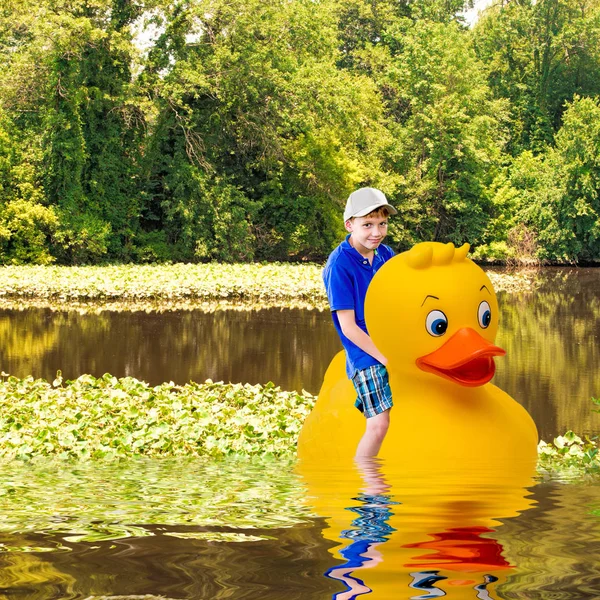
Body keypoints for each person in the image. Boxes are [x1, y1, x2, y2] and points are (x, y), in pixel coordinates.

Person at [322, 187, 397, 457]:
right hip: (365, 355)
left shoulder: (385, 255)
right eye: (367, 224)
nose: (376, 232)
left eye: (382, 224)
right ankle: (368, 486)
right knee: (378, 425)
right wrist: (386, 358)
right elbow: (348, 327)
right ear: (349, 224)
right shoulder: (339, 265)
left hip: (392, 346)